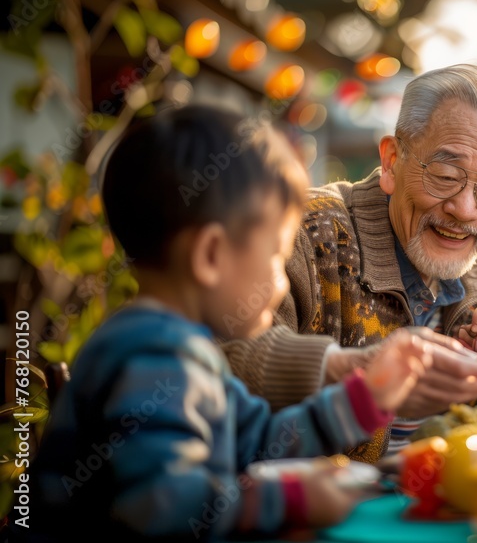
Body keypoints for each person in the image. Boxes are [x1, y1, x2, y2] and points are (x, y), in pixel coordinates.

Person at [27, 105, 451, 541]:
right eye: (275, 257)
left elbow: (264, 442)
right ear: (210, 255)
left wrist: (365, 399)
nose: (282, 281)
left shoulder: (187, 348)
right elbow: (160, 505)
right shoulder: (152, 355)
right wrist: (289, 499)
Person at [219, 62, 477, 460]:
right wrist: (349, 368)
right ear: (391, 161)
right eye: (447, 174)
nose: (465, 210)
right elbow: (219, 360)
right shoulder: (301, 236)